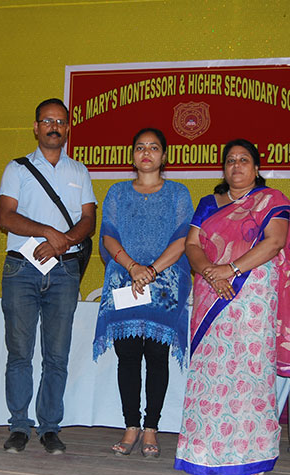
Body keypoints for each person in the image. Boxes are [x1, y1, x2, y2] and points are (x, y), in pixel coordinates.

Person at [174, 139, 290, 475]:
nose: (236, 165)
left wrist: (231, 269)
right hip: (211, 294)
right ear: (224, 169)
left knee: (249, 374)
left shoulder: (271, 201)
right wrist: (212, 273)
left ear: (257, 167)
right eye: (231, 160)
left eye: (244, 159)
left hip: (252, 298)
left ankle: (251, 455)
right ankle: (202, 450)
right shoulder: (209, 204)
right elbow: (192, 245)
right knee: (210, 373)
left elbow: (275, 242)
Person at [0, 98, 97, 454]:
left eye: (60, 122)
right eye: (47, 121)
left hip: (65, 269)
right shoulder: (17, 169)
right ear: (36, 127)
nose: (54, 127)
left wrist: (62, 243)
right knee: (19, 353)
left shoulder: (79, 171)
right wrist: (46, 232)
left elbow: (89, 220)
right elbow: (6, 217)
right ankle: (19, 425)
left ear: (68, 128)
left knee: (57, 355)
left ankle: (50, 427)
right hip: (21, 269)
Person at [93, 127, 193, 458]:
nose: (146, 153)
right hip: (124, 281)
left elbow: (183, 239)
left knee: (157, 357)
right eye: (140, 147)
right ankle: (131, 426)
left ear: (164, 156)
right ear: (132, 155)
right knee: (128, 357)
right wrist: (134, 268)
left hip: (164, 284)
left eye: (153, 147)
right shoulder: (117, 192)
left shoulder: (178, 193)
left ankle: (152, 427)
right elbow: (108, 236)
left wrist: (151, 270)